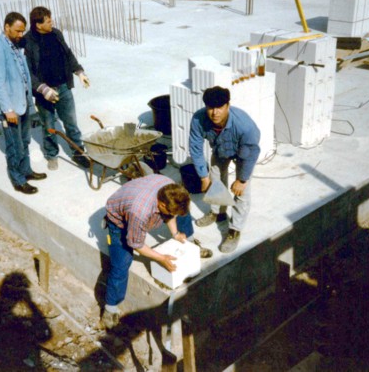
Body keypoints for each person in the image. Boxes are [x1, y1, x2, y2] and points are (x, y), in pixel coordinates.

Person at [102, 174, 211, 329]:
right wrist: (160, 258)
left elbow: (170, 214)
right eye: (168, 212)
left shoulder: (171, 187)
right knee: (121, 264)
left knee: (183, 216)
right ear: (161, 205)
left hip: (137, 199)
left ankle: (191, 242)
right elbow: (136, 244)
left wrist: (175, 234)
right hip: (118, 218)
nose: (170, 215)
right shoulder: (139, 212)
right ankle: (110, 308)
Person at [189, 86, 260, 253]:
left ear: (228, 105)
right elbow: (196, 148)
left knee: (241, 193)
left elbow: (250, 153)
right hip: (220, 150)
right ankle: (218, 212)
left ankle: (235, 229)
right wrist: (203, 176)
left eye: (219, 107)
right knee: (214, 180)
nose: (215, 112)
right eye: (210, 107)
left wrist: (242, 180)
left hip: (244, 153)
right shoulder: (198, 119)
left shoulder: (245, 126)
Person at [0, 12, 47, 195]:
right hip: (11, 108)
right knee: (14, 146)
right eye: (17, 31)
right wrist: (7, 109)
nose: (21, 35)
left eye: (23, 31)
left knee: (25, 140)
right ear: (6, 27)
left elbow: (23, 75)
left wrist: (29, 103)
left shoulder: (15, 46)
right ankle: (18, 180)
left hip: (23, 104)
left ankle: (26, 171)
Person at [23, 6, 90, 171]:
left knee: (71, 123)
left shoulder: (56, 34)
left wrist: (79, 72)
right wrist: (42, 89)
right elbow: (26, 72)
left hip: (63, 86)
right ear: (38, 25)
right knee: (48, 126)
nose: (51, 22)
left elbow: (68, 54)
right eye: (48, 21)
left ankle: (78, 152)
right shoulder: (28, 42)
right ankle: (51, 154)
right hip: (44, 92)